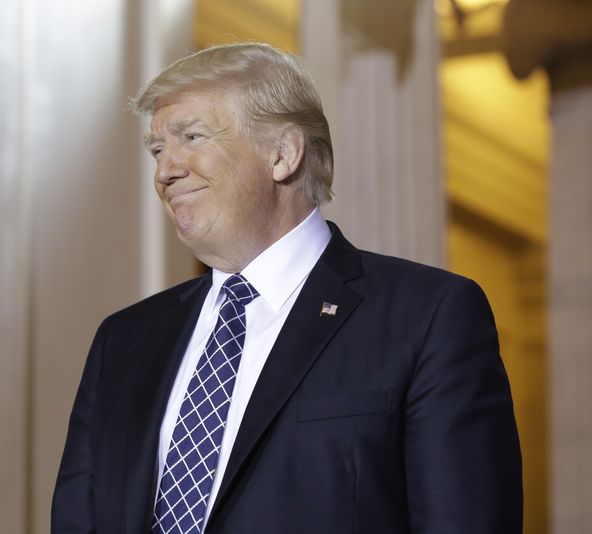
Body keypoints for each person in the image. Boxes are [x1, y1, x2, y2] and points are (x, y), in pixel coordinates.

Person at [51, 43, 522, 534]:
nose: (165, 171)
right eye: (157, 150)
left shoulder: (428, 317)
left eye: (191, 136)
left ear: (283, 153)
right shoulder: (123, 341)